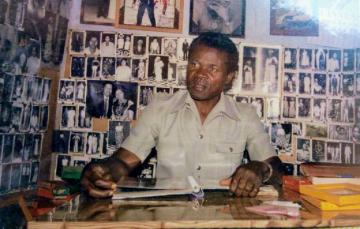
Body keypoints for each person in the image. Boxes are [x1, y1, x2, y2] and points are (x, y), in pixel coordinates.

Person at [81, 32, 283, 198]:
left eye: (212, 68)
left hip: (221, 217)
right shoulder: (160, 108)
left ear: (229, 76)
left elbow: (277, 170)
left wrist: (260, 168)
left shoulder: (246, 115)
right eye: (194, 64)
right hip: (167, 215)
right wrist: (103, 171)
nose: (200, 74)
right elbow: (124, 161)